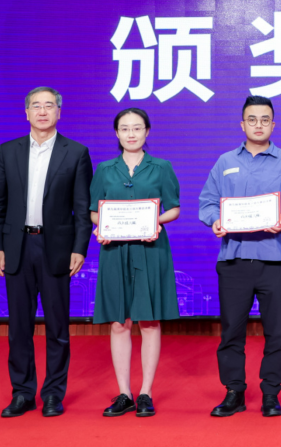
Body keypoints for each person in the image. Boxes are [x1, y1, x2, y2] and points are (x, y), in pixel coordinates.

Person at [199, 96, 281, 418]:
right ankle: (234, 391)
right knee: (231, 331)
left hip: (274, 259)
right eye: (252, 119)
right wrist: (215, 220)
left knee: (276, 331)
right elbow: (207, 202)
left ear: (273, 125)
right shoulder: (225, 162)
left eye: (265, 119)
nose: (258, 125)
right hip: (234, 259)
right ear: (242, 124)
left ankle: (271, 393)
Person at [0, 87, 93, 418]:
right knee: (19, 326)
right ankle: (22, 393)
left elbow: (82, 208)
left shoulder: (76, 153)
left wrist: (79, 249)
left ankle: (53, 394)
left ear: (59, 112)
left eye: (49, 106)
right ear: (27, 113)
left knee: (58, 327)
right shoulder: (8, 151)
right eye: (36, 106)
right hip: (17, 247)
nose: (43, 111)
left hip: (56, 248)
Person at [89, 108, 181, 417]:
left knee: (149, 321)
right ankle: (124, 393)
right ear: (116, 133)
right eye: (125, 128)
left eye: (137, 128)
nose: (131, 133)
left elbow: (174, 208)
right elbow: (94, 211)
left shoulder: (162, 167)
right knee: (119, 323)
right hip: (115, 250)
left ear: (147, 132)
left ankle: (145, 393)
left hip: (150, 249)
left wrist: (154, 221)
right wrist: (102, 227)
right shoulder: (104, 169)